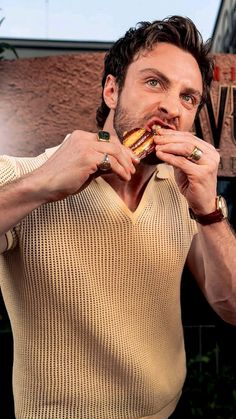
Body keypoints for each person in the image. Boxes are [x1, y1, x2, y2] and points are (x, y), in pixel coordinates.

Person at [0, 15, 236, 419]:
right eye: (154, 82)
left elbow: (231, 307)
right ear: (112, 89)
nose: (171, 107)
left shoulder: (190, 198)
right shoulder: (21, 175)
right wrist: (44, 183)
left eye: (188, 97)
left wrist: (209, 212)